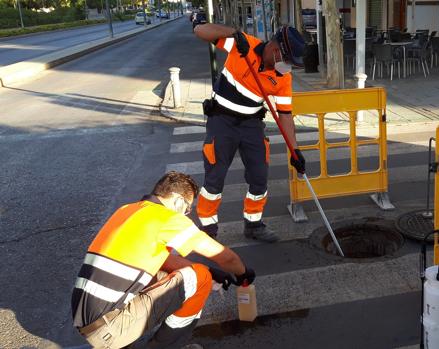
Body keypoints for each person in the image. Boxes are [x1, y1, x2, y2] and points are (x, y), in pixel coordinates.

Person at [71, 171, 256, 349]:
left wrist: (210, 269)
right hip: (109, 329)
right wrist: (243, 273)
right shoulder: (167, 218)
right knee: (200, 280)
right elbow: (225, 256)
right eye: (187, 207)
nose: (186, 213)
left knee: (180, 273)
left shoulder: (128, 210)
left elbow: (162, 260)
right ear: (177, 200)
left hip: (88, 321)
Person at [193, 23, 307, 242]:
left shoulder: (283, 79)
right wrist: (233, 33)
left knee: (259, 177)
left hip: (251, 126)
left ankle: (254, 224)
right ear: (276, 51)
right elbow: (200, 31)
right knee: (214, 178)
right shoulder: (242, 46)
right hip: (221, 121)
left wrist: (295, 151)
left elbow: (285, 116)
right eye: (289, 61)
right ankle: (208, 230)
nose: (288, 67)